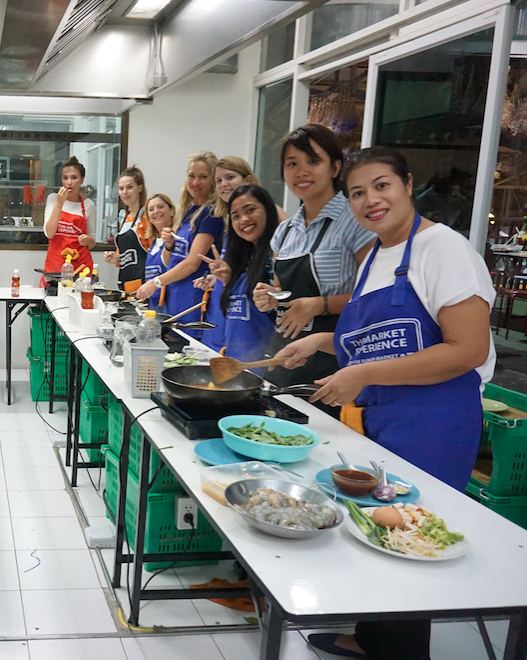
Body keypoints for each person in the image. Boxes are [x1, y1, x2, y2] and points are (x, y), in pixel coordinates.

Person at [279, 147, 494, 660]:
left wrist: (363, 374)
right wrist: (318, 342)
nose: (370, 200)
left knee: (410, 544)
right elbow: (377, 338)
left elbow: (468, 350)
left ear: (407, 184)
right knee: (376, 528)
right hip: (383, 419)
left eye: (382, 185)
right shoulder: (376, 256)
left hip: (435, 423)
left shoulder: (442, 248)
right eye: (357, 192)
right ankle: (371, 637)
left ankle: (398, 650)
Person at [252, 124, 375, 387]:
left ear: (335, 167)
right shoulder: (285, 232)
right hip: (284, 356)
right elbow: (282, 291)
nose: (301, 171)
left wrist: (318, 305)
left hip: (334, 362)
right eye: (292, 163)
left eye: (313, 161)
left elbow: (374, 296)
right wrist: (269, 298)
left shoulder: (356, 221)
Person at [199, 157, 288, 351]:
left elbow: (288, 295)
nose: (223, 185)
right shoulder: (242, 247)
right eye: (218, 181)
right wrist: (225, 278)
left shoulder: (279, 244)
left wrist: (276, 299)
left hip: (264, 361)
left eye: (230, 177)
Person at [135, 150, 223, 337]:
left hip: (193, 301)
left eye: (203, 177)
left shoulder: (210, 214)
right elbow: (172, 259)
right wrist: (169, 244)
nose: (195, 182)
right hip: (174, 299)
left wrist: (156, 282)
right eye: (191, 176)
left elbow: (192, 263)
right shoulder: (189, 211)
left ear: (213, 180)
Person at [43, 156, 96, 283]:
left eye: (74, 177)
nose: (69, 182)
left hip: (81, 267)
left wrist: (88, 240)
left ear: (82, 179)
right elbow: (49, 233)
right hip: (56, 264)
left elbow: (92, 242)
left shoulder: (88, 205)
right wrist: (59, 204)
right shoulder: (53, 199)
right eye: (65, 178)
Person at [102, 166, 149, 293]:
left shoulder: (147, 217)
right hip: (126, 285)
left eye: (129, 187)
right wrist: (116, 259)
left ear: (140, 188)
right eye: (121, 188)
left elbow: (155, 253)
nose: (125, 192)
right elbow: (125, 256)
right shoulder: (123, 218)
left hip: (145, 284)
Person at [141, 193, 176, 311]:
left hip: (170, 305)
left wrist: (169, 244)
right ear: (149, 218)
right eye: (151, 209)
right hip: (154, 306)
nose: (156, 211)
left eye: (160, 207)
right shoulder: (154, 242)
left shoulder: (176, 238)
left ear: (171, 210)